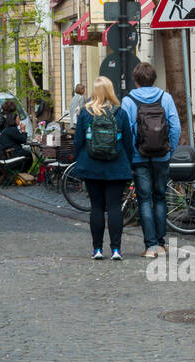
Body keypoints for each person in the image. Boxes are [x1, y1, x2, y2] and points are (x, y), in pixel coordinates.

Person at [119, 61, 182, 259]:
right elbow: (176, 128)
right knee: (160, 198)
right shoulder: (166, 97)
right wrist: (168, 150)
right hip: (162, 156)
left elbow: (126, 131)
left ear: (136, 81)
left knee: (144, 200)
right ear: (154, 79)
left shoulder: (128, 101)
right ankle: (162, 244)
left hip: (139, 157)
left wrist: (129, 156)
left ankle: (151, 246)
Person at [73, 77, 134, 260]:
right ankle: (116, 250)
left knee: (96, 207)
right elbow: (128, 142)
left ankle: (97, 249)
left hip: (91, 166)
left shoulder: (85, 113)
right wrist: (128, 162)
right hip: (116, 167)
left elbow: (78, 141)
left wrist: (79, 159)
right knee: (115, 207)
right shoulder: (120, 113)